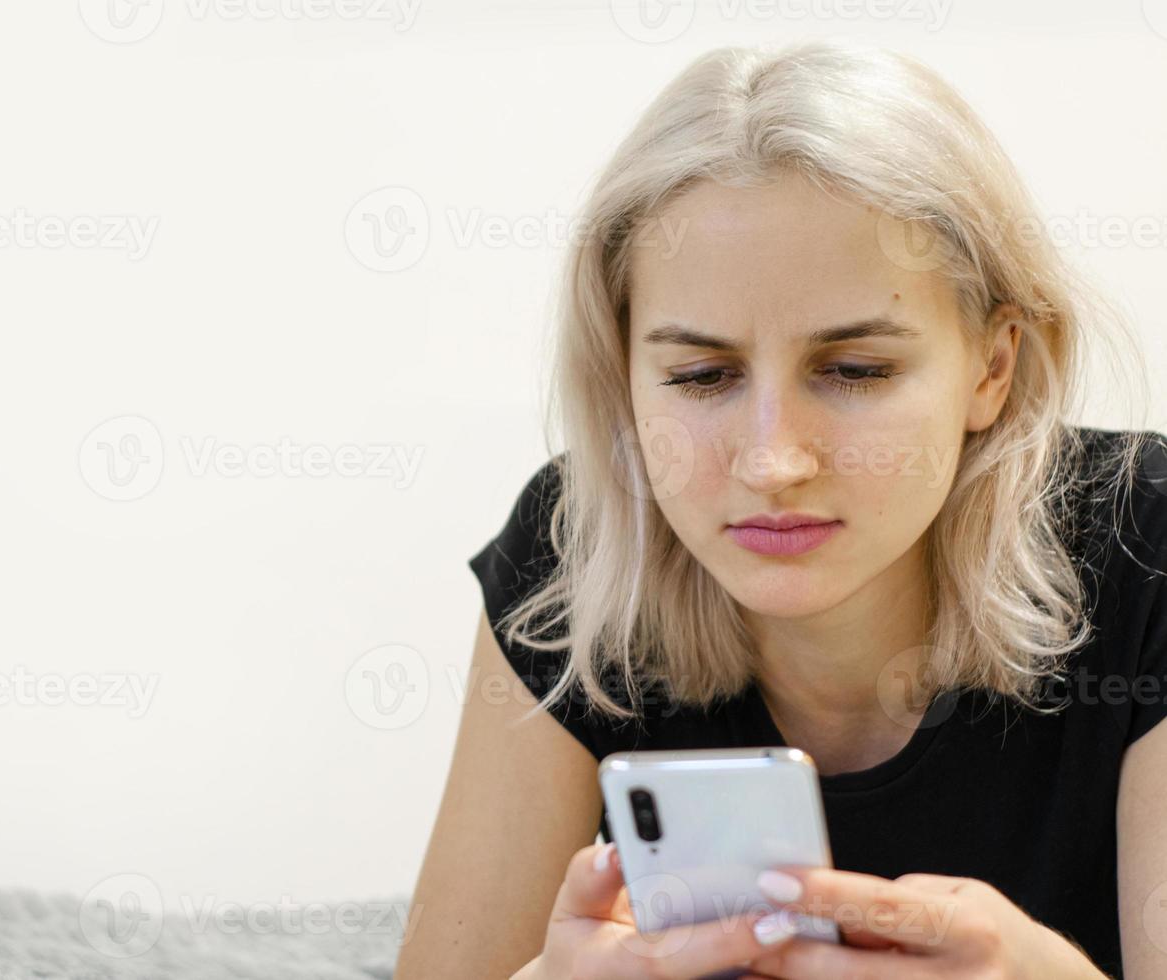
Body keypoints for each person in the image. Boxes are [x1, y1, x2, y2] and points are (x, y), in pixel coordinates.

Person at [396, 37, 1167, 980]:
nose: (772, 461)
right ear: (627, 380)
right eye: (701, 376)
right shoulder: (578, 546)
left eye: (854, 371)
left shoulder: (1149, 540)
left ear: (993, 366)